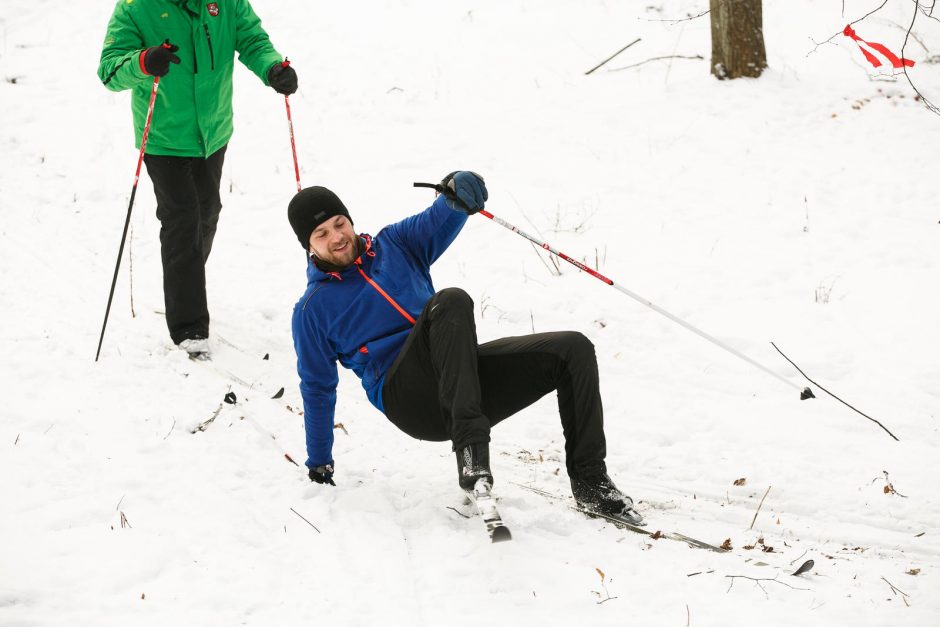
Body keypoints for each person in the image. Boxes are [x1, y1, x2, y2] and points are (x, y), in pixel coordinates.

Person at [288, 172, 640, 521]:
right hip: (409, 400)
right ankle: (472, 459)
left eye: (340, 223)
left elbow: (440, 217)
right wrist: (319, 462)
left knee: (573, 350)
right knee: (450, 302)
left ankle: (592, 485)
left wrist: (458, 190)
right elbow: (318, 388)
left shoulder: (394, 245)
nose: (337, 237)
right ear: (309, 246)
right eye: (322, 233)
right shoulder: (312, 309)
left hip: (459, 380)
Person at [98, 0, 298, 359]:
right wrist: (143, 62)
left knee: (207, 212)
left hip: (212, 132)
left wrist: (272, 68)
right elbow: (109, 71)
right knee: (182, 220)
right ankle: (188, 326)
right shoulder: (135, 8)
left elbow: (251, 38)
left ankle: (184, 273)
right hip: (163, 137)